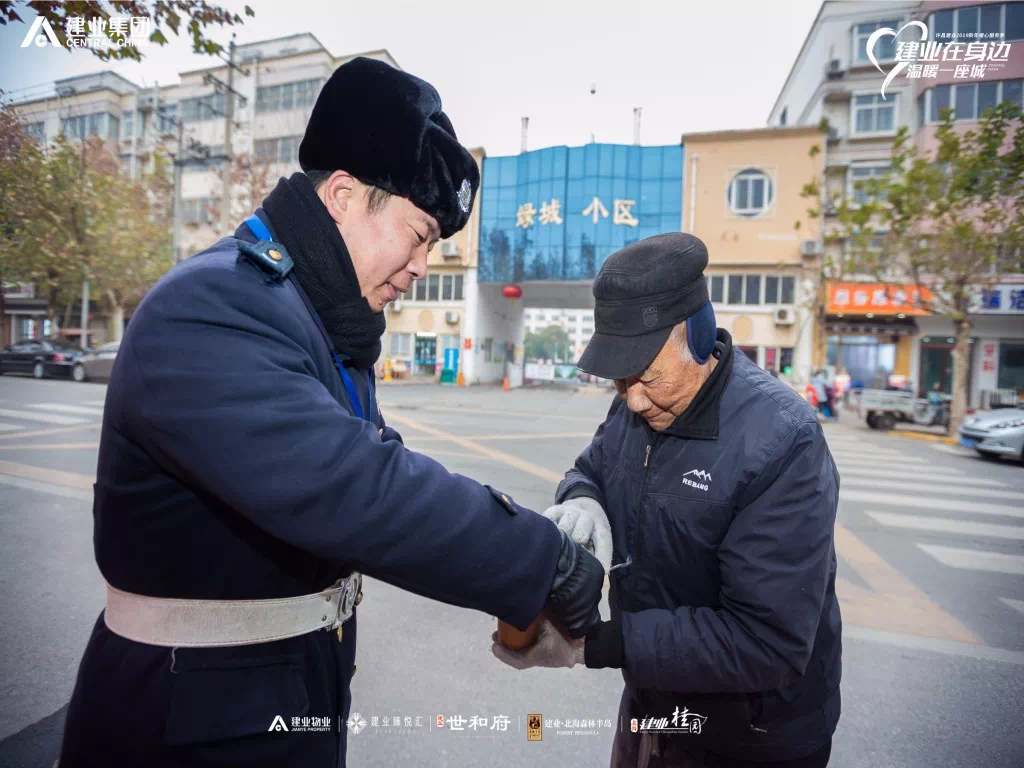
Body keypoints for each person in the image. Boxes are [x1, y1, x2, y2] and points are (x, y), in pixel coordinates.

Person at [59, 58, 605, 768]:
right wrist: (542, 560)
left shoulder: (320, 323)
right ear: (344, 195)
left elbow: (388, 476)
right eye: (417, 234)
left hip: (272, 697)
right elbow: (358, 488)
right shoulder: (214, 307)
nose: (419, 266)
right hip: (187, 723)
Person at [492, 233, 842, 768]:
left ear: (699, 338)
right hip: (654, 704)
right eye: (619, 381)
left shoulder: (781, 441)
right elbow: (590, 470)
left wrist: (598, 644)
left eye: (648, 377)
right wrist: (582, 503)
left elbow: (766, 641)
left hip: (750, 739)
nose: (633, 398)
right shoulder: (635, 408)